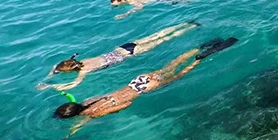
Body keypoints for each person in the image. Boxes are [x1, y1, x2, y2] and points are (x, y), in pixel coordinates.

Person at [53, 37, 238, 135]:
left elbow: (126, 105)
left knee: (181, 74)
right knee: (170, 66)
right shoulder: (87, 102)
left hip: (143, 90)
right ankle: (198, 48)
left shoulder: (95, 113)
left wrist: (114, 109)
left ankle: (199, 58)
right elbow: (87, 113)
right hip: (136, 81)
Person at [36, 21, 198, 91]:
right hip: (123, 47)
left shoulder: (83, 71)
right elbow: (58, 64)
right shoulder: (79, 60)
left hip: (130, 53)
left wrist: (49, 85)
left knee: (165, 39)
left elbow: (72, 85)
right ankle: (184, 23)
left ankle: (190, 28)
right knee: (157, 34)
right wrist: (52, 72)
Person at [111, 0, 206, 20]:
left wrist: (125, 14)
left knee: (186, 1)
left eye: (117, 4)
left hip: (164, 0)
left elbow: (140, 7)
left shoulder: (132, 2)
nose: (117, 6)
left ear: (122, 0)